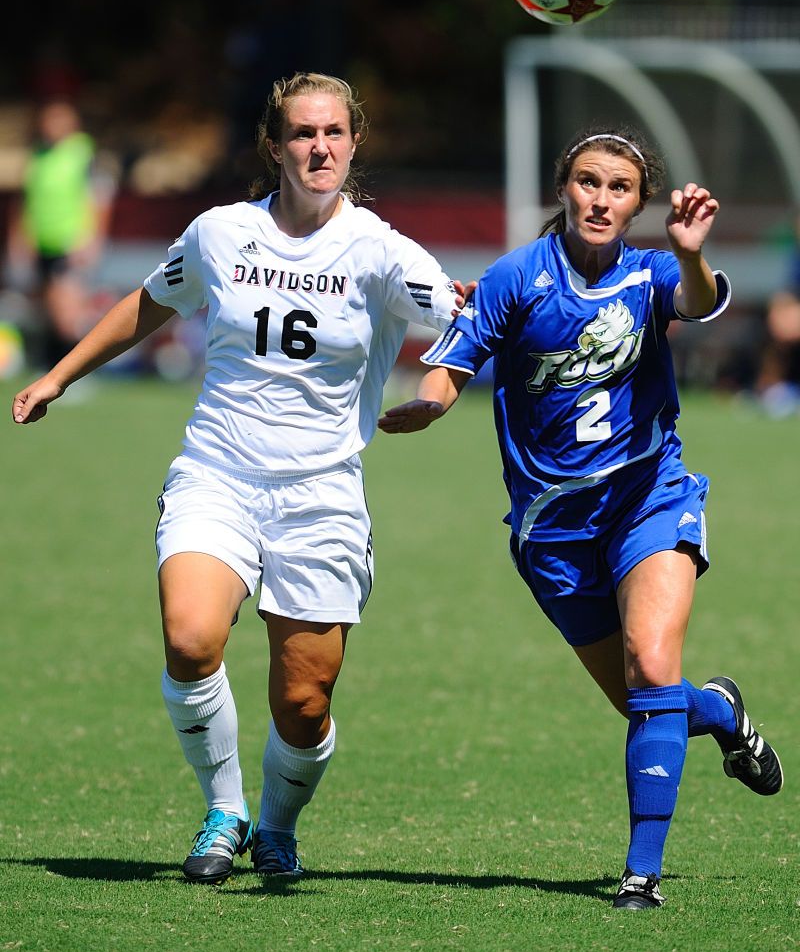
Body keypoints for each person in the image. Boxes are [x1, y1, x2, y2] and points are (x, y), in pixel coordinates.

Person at [12, 71, 472, 885]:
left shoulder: (383, 252)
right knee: (191, 639)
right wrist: (62, 373)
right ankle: (224, 808)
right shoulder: (221, 232)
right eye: (302, 133)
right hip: (217, 471)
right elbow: (151, 302)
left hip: (323, 492)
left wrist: (436, 393)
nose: (318, 147)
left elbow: (467, 331)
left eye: (334, 132)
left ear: (355, 142)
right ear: (274, 146)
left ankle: (280, 826)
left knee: (303, 703)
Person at [378, 126, 783, 910]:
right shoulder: (515, 277)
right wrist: (427, 409)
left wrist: (692, 250)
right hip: (552, 531)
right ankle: (724, 712)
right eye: (589, 183)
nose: (601, 199)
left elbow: (695, 302)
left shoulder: (653, 271)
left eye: (619, 188)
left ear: (638, 203)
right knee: (647, 700)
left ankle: (641, 872)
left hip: (647, 497)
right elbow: (450, 367)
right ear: (564, 187)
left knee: (652, 665)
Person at [6, 99, 115, 368]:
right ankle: (52, 367)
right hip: (43, 242)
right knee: (46, 310)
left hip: (70, 242)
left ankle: (75, 370)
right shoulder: (39, 156)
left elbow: (100, 199)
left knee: (66, 311)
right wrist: (20, 238)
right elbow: (26, 202)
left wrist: (91, 238)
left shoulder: (83, 154)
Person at [755, 209, 800, 416]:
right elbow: (789, 291)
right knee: (774, 327)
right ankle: (772, 390)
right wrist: (779, 310)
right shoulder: (795, 256)